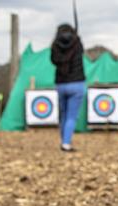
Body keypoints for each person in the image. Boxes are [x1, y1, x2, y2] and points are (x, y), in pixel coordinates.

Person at [51, 24, 85, 152]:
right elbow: (81, 50)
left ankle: (64, 141)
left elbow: (53, 60)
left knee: (64, 115)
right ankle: (66, 143)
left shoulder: (55, 46)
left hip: (61, 84)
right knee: (71, 116)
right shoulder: (77, 43)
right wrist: (77, 38)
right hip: (76, 84)